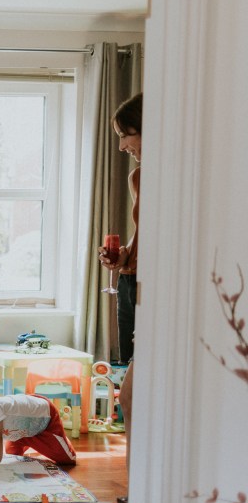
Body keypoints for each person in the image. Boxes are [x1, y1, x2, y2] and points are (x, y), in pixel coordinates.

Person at [99, 92, 141, 367]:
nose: (122, 146)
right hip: (128, 280)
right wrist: (124, 254)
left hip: (149, 284)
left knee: (141, 371)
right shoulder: (137, 177)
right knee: (127, 366)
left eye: (125, 135)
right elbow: (143, 232)